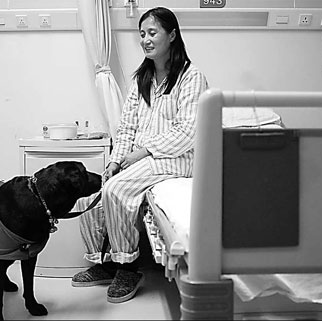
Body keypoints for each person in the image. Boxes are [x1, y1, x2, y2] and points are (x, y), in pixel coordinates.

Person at [70, 6, 208, 303]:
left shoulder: (191, 77)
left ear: (172, 35)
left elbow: (188, 132)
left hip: (175, 159)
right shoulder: (140, 79)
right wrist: (115, 160)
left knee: (117, 189)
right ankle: (104, 262)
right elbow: (127, 127)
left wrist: (142, 153)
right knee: (95, 187)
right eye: (142, 34)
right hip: (140, 157)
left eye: (152, 33)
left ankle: (128, 266)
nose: (145, 39)